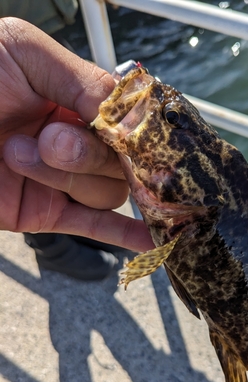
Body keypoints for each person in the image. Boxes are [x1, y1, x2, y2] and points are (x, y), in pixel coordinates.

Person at [0, 17, 154, 277]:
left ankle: (70, 231)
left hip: (54, 21)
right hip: (38, 18)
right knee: (66, 145)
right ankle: (50, 248)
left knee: (73, 141)